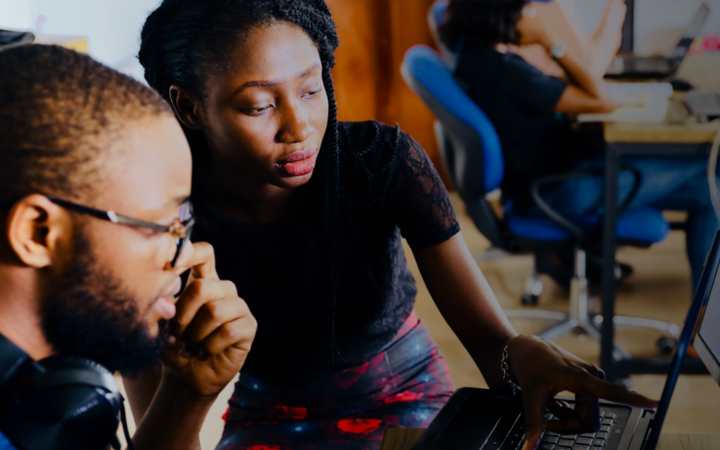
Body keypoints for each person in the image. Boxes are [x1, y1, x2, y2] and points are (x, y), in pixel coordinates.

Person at [130, 1, 657, 449]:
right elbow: (159, 430)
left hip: (405, 387)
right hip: (269, 408)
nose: (300, 127)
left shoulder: (381, 164)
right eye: (260, 104)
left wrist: (517, 352)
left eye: (312, 91)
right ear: (190, 106)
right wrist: (191, 390)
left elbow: (491, 345)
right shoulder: (157, 222)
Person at [0, 44, 257, 450]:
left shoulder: (40, 399)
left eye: (184, 222)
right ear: (38, 233)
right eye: (161, 224)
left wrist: (185, 396)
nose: (188, 253)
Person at [440, 0, 718, 293]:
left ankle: (702, 310)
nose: (532, 14)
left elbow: (569, 86)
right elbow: (602, 100)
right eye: (526, 8)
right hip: (562, 190)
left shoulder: (475, 61)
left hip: (549, 182)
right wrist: (550, 41)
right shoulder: (507, 71)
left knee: (709, 191)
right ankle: (703, 314)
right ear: (502, 13)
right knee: (710, 172)